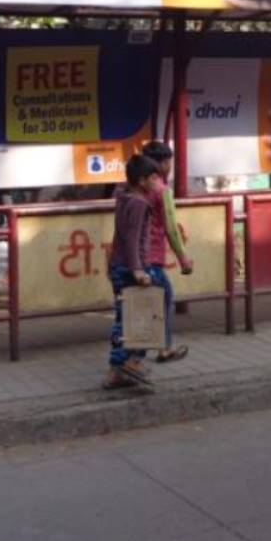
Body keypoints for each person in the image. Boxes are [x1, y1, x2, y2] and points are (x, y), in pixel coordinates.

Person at [104, 153, 160, 389]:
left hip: (120, 265)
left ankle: (119, 370)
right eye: (153, 178)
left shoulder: (123, 197)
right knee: (134, 319)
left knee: (124, 318)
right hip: (130, 267)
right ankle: (127, 364)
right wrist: (137, 269)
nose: (156, 182)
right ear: (141, 180)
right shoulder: (138, 203)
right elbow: (132, 239)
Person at [139, 140, 193, 363]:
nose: (171, 166)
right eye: (168, 162)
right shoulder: (162, 191)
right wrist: (183, 258)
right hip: (152, 258)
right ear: (161, 164)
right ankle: (161, 349)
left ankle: (143, 353)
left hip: (133, 256)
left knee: (141, 302)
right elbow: (171, 228)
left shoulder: (131, 188)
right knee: (164, 297)